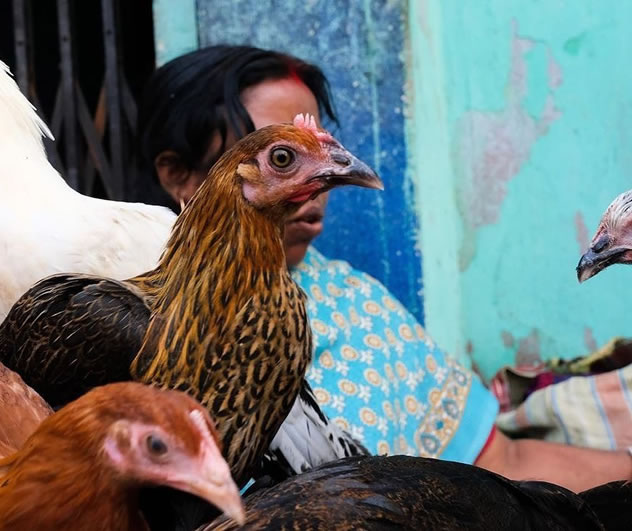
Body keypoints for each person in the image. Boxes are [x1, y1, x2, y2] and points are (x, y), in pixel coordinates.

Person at [135, 44, 632, 491]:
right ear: (177, 174)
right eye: (283, 157)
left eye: (323, 153)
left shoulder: (354, 297)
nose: (323, 183)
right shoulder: (138, 318)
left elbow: (501, 460)